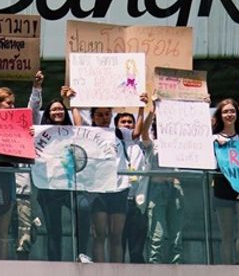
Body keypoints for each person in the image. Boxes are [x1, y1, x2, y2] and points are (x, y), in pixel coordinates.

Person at [68, 90, 145, 263]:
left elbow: (137, 133)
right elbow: (78, 125)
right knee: (99, 234)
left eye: (107, 114)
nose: (104, 118)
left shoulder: (118, 133)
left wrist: (141, 107)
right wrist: (73, 102)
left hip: (119, 188)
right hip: (98, 189)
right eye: (100, 114)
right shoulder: (89, 133)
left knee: (116, 236)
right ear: (93, 117)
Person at [0, 65, 43, 260]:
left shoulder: (18, 121)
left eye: (14, 104)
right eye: (9, 104)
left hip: (8, 177)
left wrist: (37, 88)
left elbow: (33, 111)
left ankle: (3, 270)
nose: (12, 107)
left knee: (3, 232)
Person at [34, 95, 92, 261]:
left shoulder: (72, 131)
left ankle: (81, 253)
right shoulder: (40, 131)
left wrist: (73, 103)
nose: (57, 112)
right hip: (48, 187)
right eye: (53, 109)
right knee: (54, 229)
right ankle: (54, 264)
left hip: (70, 187)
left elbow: (80, 127)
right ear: (48, 113)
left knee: (84, 208)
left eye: (60, 109)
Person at [139, 97, 184, 264]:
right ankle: (155, 266)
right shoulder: (153, 144)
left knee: (177, 232)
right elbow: (144, 134)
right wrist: (153, 110)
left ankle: (176, 265)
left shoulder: (178, 143)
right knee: (157, 232)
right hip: (157, 189)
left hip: (175, 188)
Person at [212, 97, 239, 265]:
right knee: (227, 234)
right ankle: (227, 269)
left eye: (232, 111)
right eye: (225, 111)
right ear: (220, 115)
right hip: (222, 185)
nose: (229, 114)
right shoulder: (213, 137)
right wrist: (215, 141)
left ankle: (237, 263)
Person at [117, 111, 147, 263]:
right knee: (118, 246)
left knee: (137, 248)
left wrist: (142, 109)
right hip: (118, 201)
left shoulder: (140, 145)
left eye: (130, 122)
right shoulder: (112, 146)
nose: (127, 124)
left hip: (138, 201)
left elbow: (140, 131)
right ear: (117, 126)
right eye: (123, 122)